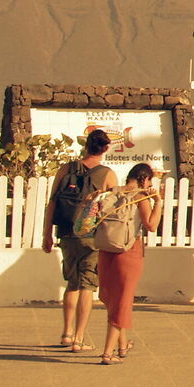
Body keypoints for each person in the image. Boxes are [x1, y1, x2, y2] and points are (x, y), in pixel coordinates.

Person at [43, 129, 117, 350]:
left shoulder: (67, 169)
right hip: (91, 236)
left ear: (86, 146)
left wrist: (47, 233)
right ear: (105, 148)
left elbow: (53, 202)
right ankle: (79, 337)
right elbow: (113, 208)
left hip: (66, 232)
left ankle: (66, 334)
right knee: (87, 285)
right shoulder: (107, 174)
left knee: (72, 283)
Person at [96, 162, 163, 364]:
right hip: (128, 250)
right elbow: (151, 225)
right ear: (145, 179)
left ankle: (122, 344)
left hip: (106, 249)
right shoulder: (140, 196)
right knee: (123, 301)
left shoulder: (112, 192)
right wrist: (158, 201)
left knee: (109, 297)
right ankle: (108, 352)